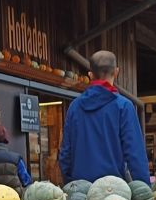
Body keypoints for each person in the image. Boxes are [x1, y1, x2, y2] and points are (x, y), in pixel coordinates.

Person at [58, 51, 150, 186]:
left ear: (90, 75)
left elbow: (65, 155)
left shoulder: (75, 108)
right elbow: (135, 155)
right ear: (116, 72)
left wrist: (71, 185)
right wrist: (145, 190)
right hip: (113, 193)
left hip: (81, 191)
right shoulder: (123, 107)